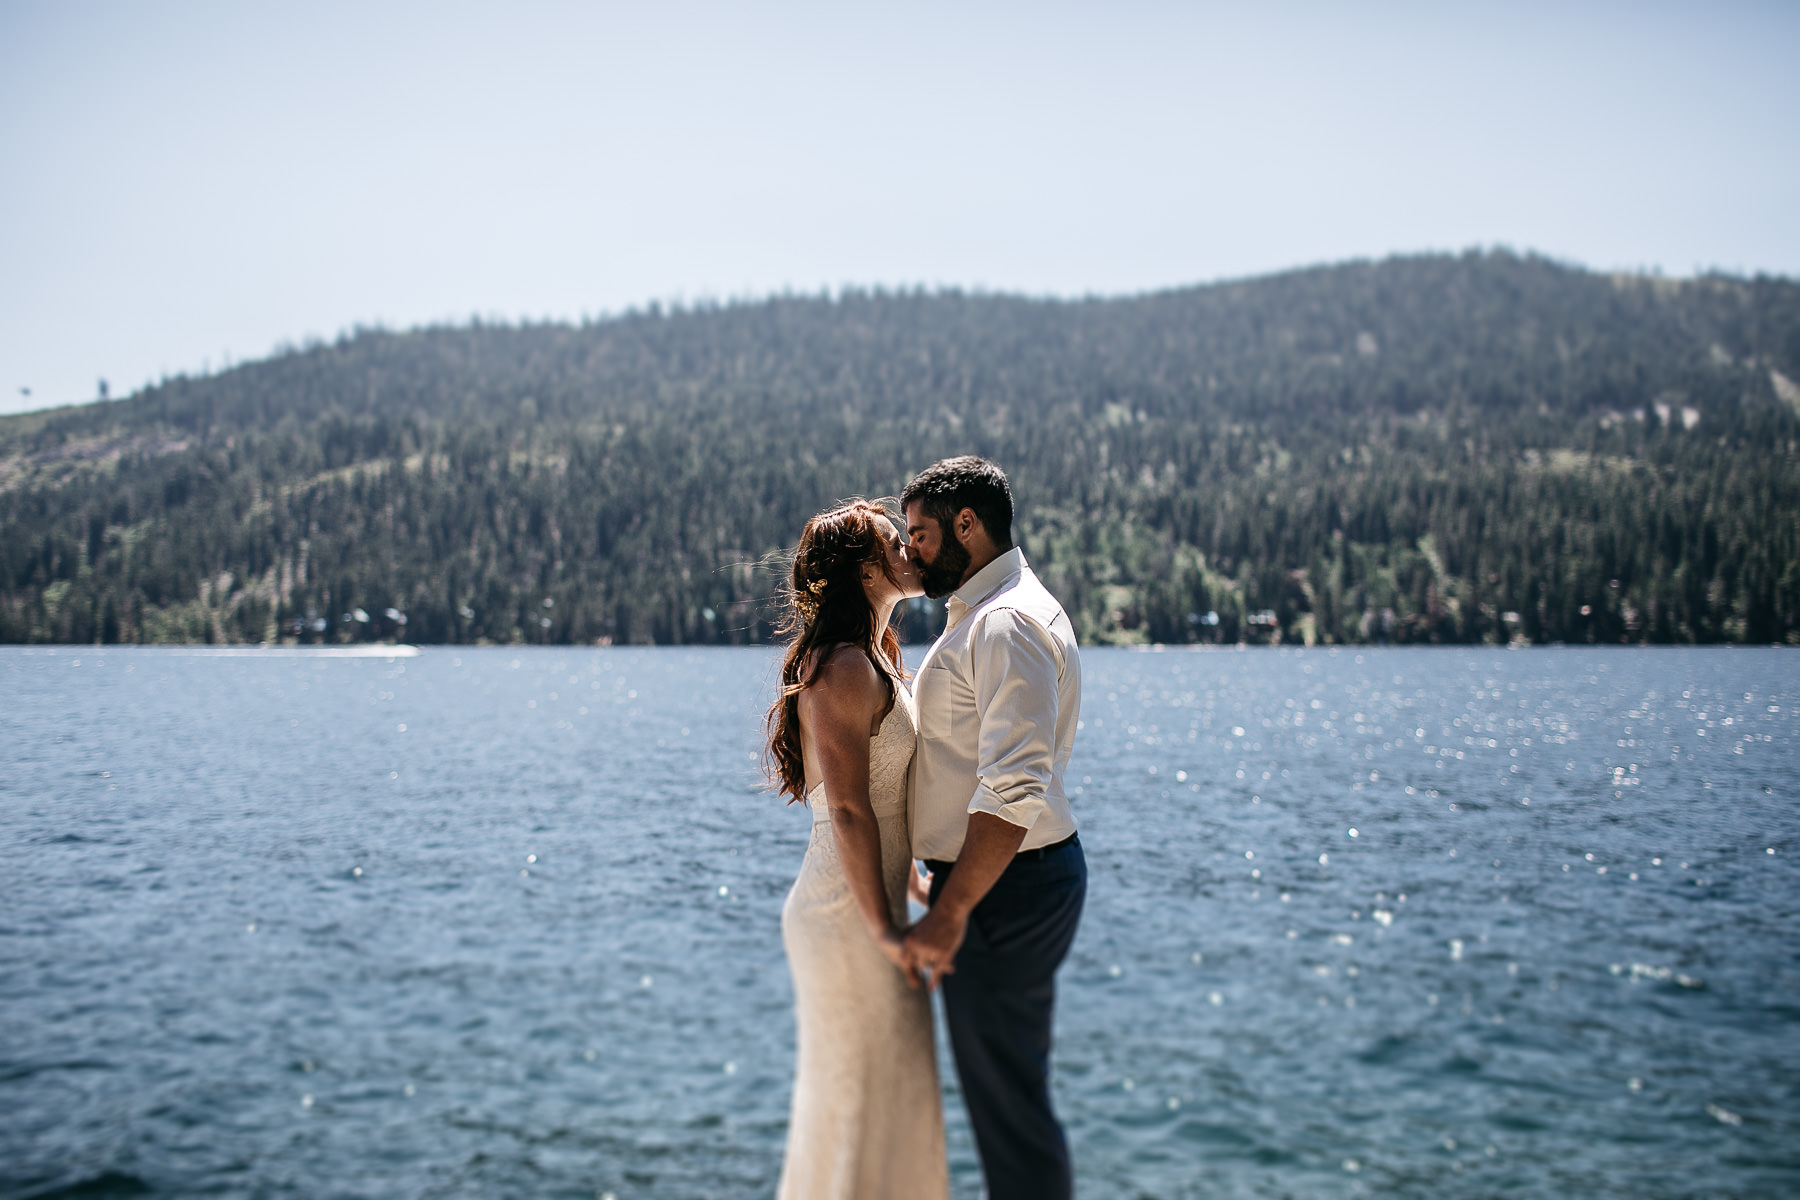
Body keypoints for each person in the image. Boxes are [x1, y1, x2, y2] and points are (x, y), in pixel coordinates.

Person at [900, 456, 1086, 1200]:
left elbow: (1011, 788)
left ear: (966, 527)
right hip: (1006, 879)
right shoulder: (992, 610)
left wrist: (950, 913)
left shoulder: (1005, 620)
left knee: (1008, 1106)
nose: (909, 550)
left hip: (1005, 890)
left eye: (919, 534)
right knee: (1010, 1096)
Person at [765, 499, 947, 1200]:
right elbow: (847, 809)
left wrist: (926, 896)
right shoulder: (843, 667)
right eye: (895, 543)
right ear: (868, 569)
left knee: (884, 1099)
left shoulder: (876, 656)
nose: (910, 550)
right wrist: (883, 930)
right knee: (862, 1105)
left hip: (869, 906)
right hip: (847, 918)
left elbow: (887, 811)